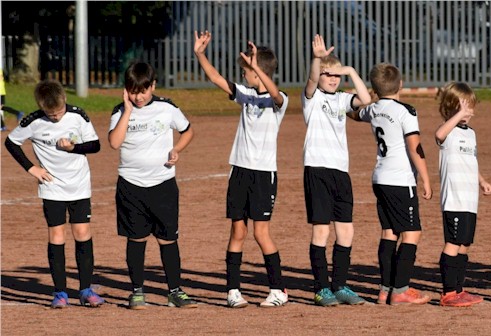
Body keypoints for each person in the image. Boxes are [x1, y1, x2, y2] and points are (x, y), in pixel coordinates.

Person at [193, 30, 290, 308]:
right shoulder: (245, 94)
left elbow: (273, 93)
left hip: (263, 175)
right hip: (240, 171)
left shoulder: (278, 100)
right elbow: (216, 79)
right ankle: (233, 291)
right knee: (237, 232)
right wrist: (200, 53)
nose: (244, 74)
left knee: (261, 233)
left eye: (247, 71)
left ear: (259, 72)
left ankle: (277, 290)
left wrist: (256, 66)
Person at [4, 80, 104, 308]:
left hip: (79, 185)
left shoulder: (78, 116)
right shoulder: (33, 122)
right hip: (52, 188)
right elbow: (11, 143)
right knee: (56, 236)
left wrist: (73, 148)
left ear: (65, 101)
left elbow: (95, 145)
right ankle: (60, 293)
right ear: (41, 107)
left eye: (59, 112)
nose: (56, 117)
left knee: (82, 232)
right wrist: (32, 169)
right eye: (51, 113)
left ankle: (86, 289)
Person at [109, 62, 197, 309]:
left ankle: (175, 291)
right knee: (136, 240)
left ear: (153, 86)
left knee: (168, 240)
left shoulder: (166, 108)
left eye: (143, 90)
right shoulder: (119, 112)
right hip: (131, 186)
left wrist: (176, 149)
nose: (138, 96)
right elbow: (114, 143)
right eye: (133, 91)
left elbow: (187, 131)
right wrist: (127, 111)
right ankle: (137, 291)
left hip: (163, 184)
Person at [349, 62, 433, 305]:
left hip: (380, 177)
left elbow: (354, 113)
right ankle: (400, 290)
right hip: (399, 179)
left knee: (389, 232)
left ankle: (385, 289)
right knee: (412, 232)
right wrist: (426, 179)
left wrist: (344, 102)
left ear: (375, 88)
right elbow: (414, 147)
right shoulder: (405, 111)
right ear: (401, 84)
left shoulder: (373, 109)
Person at [301, 34, 371, 307]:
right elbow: (310, 80)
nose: (331, 79)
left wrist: (350, 72)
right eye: (326, 75)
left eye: (335, 75)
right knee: (321, 232)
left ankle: (340, 284)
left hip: (341, 172)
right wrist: (317, 60)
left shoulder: (343, 99)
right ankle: (321, 288)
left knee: (346, 232)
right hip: (317, 169)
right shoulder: (312, 98)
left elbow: (365, 101)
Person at [434, 82, 491, 307]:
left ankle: (459, 288)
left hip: (469, 199)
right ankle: (448, 292)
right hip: (454, 198)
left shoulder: (471, 134)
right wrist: (458, 116)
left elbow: (471, 162)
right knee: (453, 243)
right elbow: (439, 134)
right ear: (451, 108)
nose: (468, 112)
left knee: (464, 244)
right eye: (462, 107)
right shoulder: (448, 131)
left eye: (470, 107)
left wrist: (482, 180)